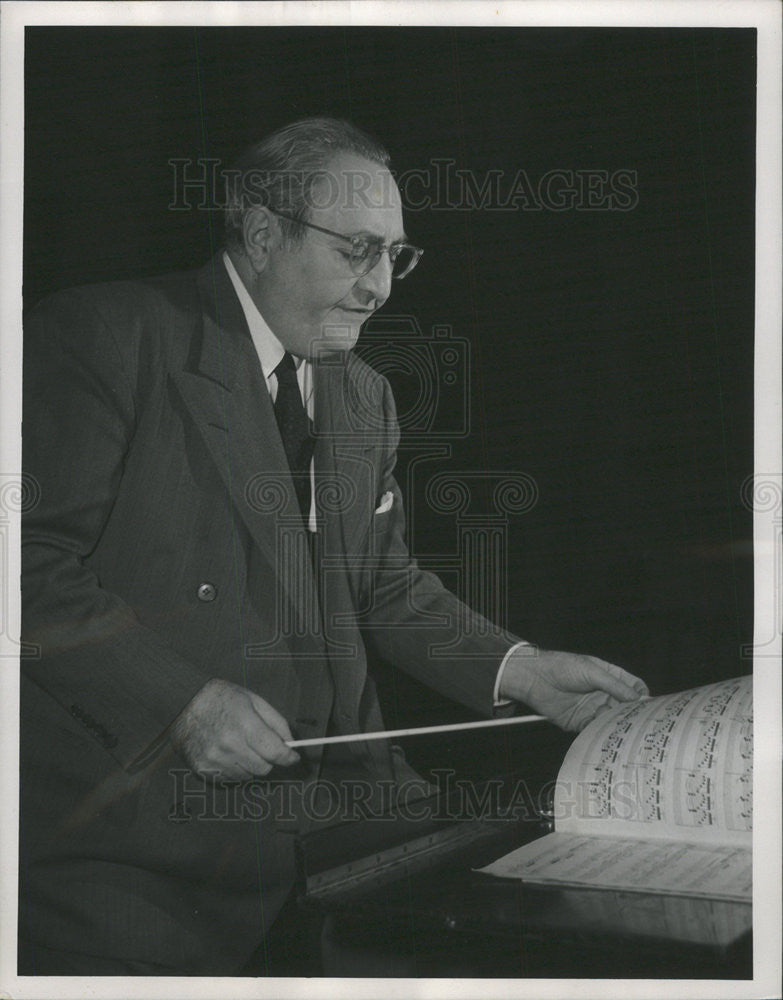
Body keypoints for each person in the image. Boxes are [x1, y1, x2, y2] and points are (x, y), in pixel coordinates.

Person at [19, 117, 648, 975]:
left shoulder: (364, 395)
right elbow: (26, 566)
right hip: (132, 856)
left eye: (396, 255)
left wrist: (524, 669)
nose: (381, 287)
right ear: (264, 232)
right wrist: (183, 704)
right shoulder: (105, 336)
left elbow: (383, 586)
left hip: (345, 828)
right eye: (358, 250)